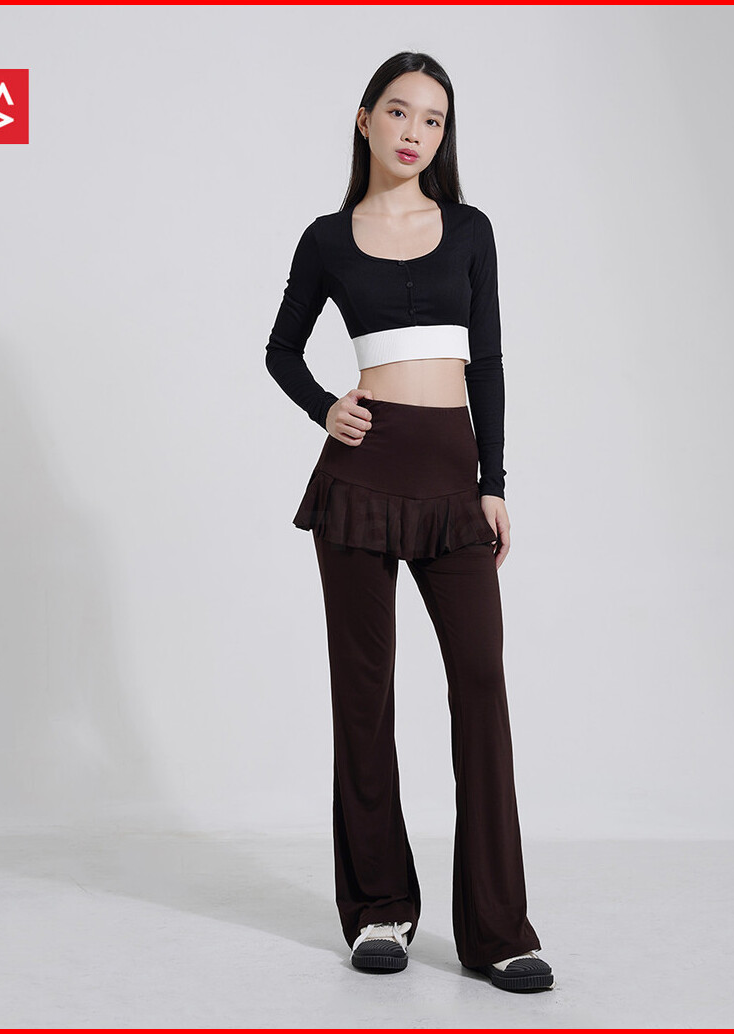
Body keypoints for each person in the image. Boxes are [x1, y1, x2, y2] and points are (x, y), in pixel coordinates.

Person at [264, 51, 554, 994]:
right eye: (399, 112)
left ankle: (498, 930)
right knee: (365, 693)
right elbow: (280, 350)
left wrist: (493, 481)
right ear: (365, 120)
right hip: (360, 479)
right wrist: (325, 408)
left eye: (433, 119)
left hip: (451, 479)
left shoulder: (470, 230)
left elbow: (489, 360)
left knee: (481, 686)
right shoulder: (327, 238)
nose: (414, 132)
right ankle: (377, 909)